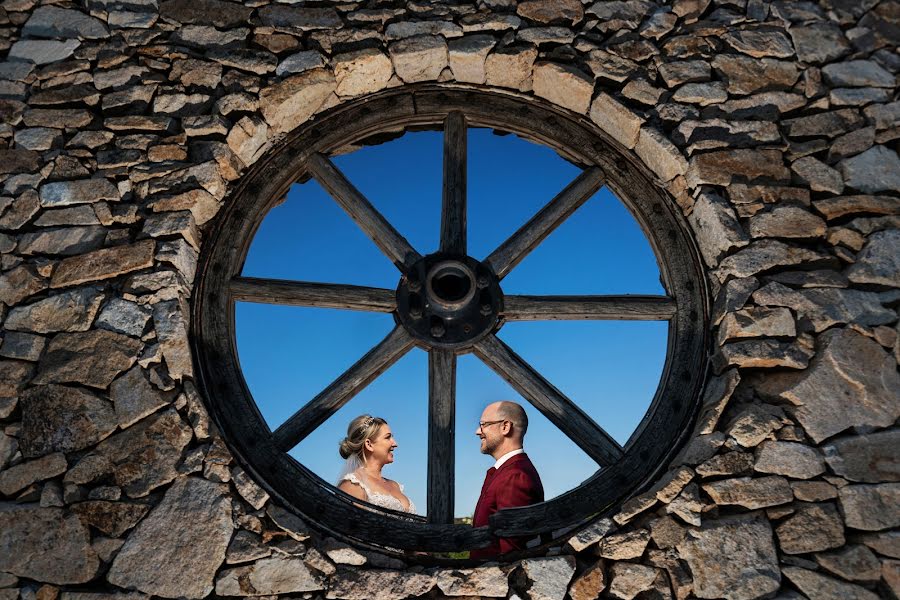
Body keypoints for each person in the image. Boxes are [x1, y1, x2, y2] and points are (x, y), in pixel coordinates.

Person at [471, 401, 544, 559]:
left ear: (505, 427)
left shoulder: (515, 476)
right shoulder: (507, 471)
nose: (478, 431)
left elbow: (510, 551)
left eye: (484, 424)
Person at [336, 414, 416, 514]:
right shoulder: (353, 485)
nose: (395, 444)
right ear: (369, 444)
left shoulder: (395, 485)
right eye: (388, 438)